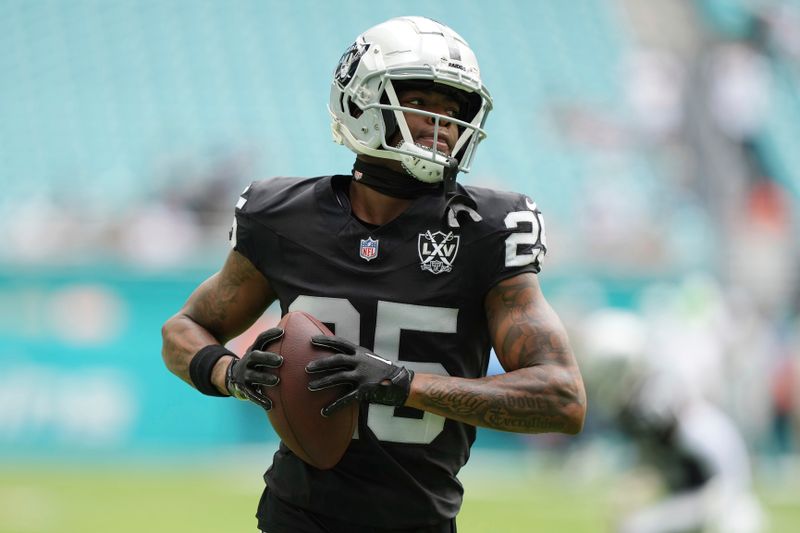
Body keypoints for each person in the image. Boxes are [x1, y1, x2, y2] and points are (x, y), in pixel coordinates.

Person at [161, 16, 586, 533]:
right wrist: (229, 374)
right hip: (296, 517)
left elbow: (562, 399)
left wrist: (403, 384)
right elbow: (181, 330)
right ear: (361, 103)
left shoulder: (488, 230)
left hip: (420, 520)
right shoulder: (283, 216)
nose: (444, 124)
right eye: (423, 104)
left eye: (454, 111)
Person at [581, 309, 764, 533]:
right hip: (701, 481)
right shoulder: (645, 392)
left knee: (636, 528)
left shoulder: (651, 402)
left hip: (716, 483)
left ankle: (739, 512)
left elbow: (664, 457)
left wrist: (631, 492)